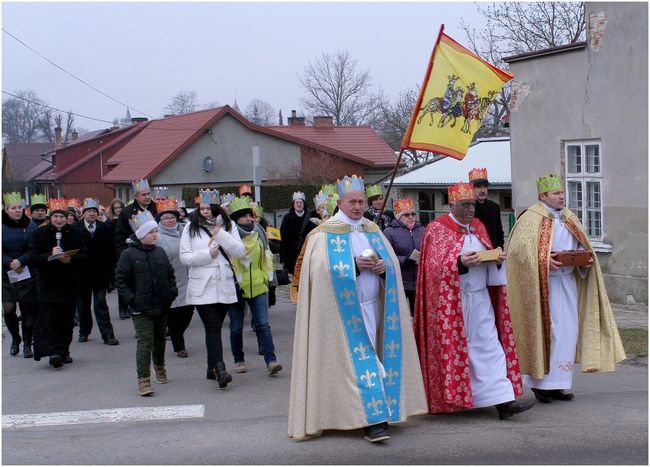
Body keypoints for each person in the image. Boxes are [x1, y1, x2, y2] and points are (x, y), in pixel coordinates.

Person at [288, 175, 427, 443]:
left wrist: (384, 268)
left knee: (375, 359)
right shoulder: (323, 233)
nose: (357, 206)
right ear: (340, 202)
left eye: (361, 201)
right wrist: (351, 266)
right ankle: (373, 421)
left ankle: (377, 412)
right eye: (352, 201)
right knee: (363, 365)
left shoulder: (372, 230)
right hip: (343, 315)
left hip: (375, 308)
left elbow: (392, 267)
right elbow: (318, 273)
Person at [414, 182, 533, 420]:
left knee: (490, 348)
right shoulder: (437, 229)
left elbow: (488, 254)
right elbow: (432, 269)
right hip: (452, 305)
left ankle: (503, 401)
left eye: (472, 205)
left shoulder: (478, 227)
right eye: (465, 205)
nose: (471, 210)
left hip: (480, 300)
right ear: (452, 204)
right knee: (461, 352)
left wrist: (496, 259)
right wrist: (459, 264)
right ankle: (454, 399)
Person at [506, 174, 626, 403]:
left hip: (567, 282)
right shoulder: (530, 218)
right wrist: (543, 261)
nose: (562, 196)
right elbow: (517, 254)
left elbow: (582, 244)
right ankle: (541, 384)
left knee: (567, 332)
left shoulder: (569, 217)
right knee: (548, 332)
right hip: (543, 285)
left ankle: (560, 384)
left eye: (562, 192)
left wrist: (584, 261)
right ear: (543, 196)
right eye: (556, 193)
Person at [180, 189, 246, 389]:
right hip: (202, 285)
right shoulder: (190, 227)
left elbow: (240, 252)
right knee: (213, 327)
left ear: (216, 209)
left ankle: (211, 367)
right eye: (202, 208)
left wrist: (222, 235)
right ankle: (221, 369)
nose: (205, 212)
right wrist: (207, 254)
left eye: (209, 208)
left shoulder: (229, 225)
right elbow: (185, 257)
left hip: (223, 283)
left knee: (215, 326)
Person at [115, 210, 177, 396]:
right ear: (141, 235)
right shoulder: (128, 254)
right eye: (151, 233)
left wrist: (171, 292)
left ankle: (159, 366)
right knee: (145, 341)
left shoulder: (160, 252)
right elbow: (120, 279)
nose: (155, 235)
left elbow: (170, 274)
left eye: (156, 232)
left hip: (161, 303)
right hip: (141, 306)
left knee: (159, 339)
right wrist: (131, 299)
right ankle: (143, 379)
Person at [228, 196, 282, 376]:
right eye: (244, 217)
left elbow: (266, 256)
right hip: (237, 287)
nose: (249, 219)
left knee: (263, 325)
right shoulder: (229, 236)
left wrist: (268, 278)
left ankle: (271, 361)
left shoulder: (258, 232)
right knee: (236, 327)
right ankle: (239, 360)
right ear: (236, 219)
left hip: (259, 285)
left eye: (249, 216)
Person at [28, 198, 85, 369]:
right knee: (50, 319)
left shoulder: (75, 232)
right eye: (55, 216)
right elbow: (33, 257)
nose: (59, 219)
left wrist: (69, 260)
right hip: (47, 284)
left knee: (66, 320)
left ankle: (64, 350)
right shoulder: (39, 234)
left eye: (62, 216)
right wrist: (49, 255)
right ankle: (54, 352)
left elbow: (85, 255)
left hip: (68, 284)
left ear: (67, 217)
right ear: (50, 217)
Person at [76, 198, 119, 345]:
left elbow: (112, 251)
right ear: (84, 213)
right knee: (83, 305)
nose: (92, 214)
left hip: (100, 273)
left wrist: (111, 271)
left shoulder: (105, 228)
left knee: (100, 303)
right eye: (89, 211)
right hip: (82, 274)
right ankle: (84, 331)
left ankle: (107, 334)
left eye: (94, 211)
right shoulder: (76, 228)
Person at [156, 198, 194, 359]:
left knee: (188, 311)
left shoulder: (186, 230)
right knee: (173, 313)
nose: (170, 220)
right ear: (160, 221)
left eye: (172, 217)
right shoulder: (156, 236)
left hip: (189, 278)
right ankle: (179, 345)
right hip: (170, 280)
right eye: (166, 218)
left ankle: (176, 333)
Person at [2, 193, 38, 358]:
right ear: (6, 210)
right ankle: (16, 339)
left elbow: (34, 249)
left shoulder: (30, 226)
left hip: (27, 273)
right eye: (13, 208)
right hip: (7, 273)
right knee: (9, 308)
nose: (17, 211)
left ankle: (27, 344)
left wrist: (21, 261)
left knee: (27, 310)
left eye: (19, 208)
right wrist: (10, 262)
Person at [383, 198, 425, 316]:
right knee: (399, 315)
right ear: (399, 217)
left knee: (418, 314)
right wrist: (404, 260)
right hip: (400, 280)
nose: (411, 217)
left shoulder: (422, 229)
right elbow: (386, 255)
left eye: (413, 214)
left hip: (418, 279)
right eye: (406, 215)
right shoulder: (389, 232)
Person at [115, 179, 158, 258]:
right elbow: (120, 238)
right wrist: (124, 256)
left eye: (149, 194)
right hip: (135, 254)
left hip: (157, 250)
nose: (147, 197)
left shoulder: (157, 208)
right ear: (136, 196)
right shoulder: (127, 212)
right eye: (143, 195)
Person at [106, 198, 130, 319]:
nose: (118, 210)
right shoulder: (109, 223)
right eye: (116, 208)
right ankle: (122, 308)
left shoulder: (127, 221)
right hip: (113, 254)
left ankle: (128, 306)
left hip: (125, 251)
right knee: (121, 281)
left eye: (120, 207)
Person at [469, 168, 505, 249]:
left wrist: (500, 250)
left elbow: (499, 232)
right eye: (478, 187)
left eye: (485, 187)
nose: (482, 190)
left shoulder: (494, 207)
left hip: (493, 253)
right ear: (471, 188)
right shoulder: (467, 208)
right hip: (474, 254)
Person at [279, 191, 308, 275]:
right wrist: (283, 256)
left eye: (301, 203)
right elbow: (283, 237)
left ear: (304, 204)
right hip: (292, 252)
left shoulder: (309, 216)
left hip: (305, 249)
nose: (299, 204)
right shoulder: (287, 217)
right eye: (297, 202)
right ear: (293, 204)